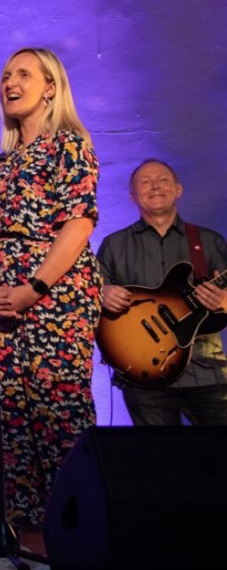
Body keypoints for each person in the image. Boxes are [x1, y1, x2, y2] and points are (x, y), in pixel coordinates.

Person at [0, 47, 101, 554]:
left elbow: (78, 224)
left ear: (50, 87)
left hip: (54, 302)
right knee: (16, 431)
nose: (10, 81)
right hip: (6, 310)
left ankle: (80, 543)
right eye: (6, 74)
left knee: (58, 418)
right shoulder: (5, 162)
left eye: (24, 74)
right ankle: (31, 550)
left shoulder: (68, 145)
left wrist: (32, 289)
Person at [97, 159, 227, 424]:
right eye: (145, 182)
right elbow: (86, 296)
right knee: (158, 450)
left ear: (178, 189)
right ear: (133, 196)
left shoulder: (210, 241)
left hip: (208, 371)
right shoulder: (114, 245)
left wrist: (225, 301)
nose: (155, 186)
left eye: (163, 180)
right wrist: (102, 292)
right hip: (143, 377)